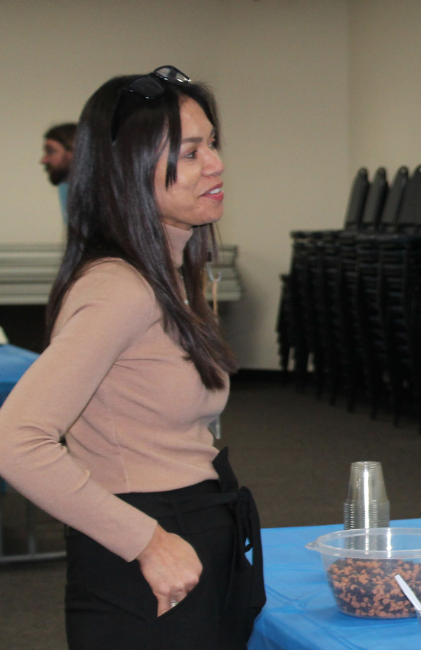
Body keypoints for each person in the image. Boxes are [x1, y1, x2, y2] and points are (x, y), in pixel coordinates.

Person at [0, 66, 263, 649]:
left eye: (213, 144)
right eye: (191, 152)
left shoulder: (168, 270)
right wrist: (147, 541)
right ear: (130, 171)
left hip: (188, 531)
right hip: (147, 559)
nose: (216, 164)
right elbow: (15, 438)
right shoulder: (121, 286)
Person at [41, 122, 76, 222]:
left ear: (75, 152)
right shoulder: (65, 187)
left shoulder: (103, 194)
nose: (43, 160)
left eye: (50, 151)